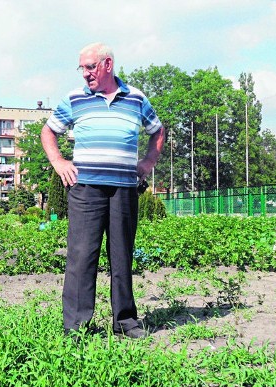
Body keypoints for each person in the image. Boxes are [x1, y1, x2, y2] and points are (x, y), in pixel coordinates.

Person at [41, 42, 165, 339]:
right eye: (81, 67)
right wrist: (58, 161)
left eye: (90, 67)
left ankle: (125, 322)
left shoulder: (135, 98)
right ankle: (76, 326)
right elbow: (49, 131)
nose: (85, 74)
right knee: (82, 256)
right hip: (85, 189)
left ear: (107, 64)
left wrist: (148, 161)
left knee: (122, 255)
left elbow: (157, 130)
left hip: (124, 189)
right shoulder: (74, 99)